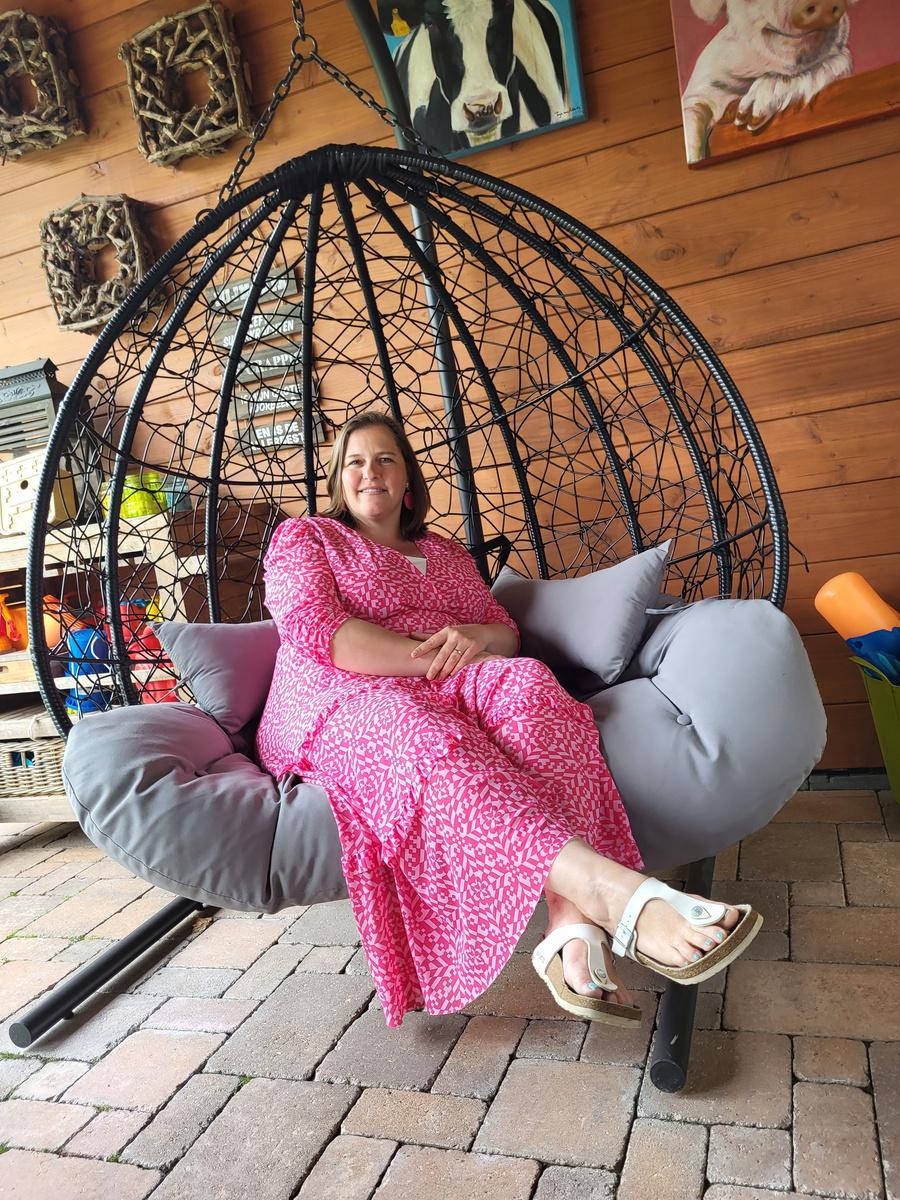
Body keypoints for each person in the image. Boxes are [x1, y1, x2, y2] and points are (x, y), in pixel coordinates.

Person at [256, 411, 762, 1028]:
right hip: (341, 694)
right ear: (339, 479)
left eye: (385, 459)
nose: (371, 472)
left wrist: (476, 637)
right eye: (355, 462)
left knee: (527, 685)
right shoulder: (307, 538)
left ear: (407, 477)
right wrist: (434, 659)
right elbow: (322, 633)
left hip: (448, 678)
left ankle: (568, 925)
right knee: (419, 732)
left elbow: (505, 633)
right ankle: (613, 892)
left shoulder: (442, 552)